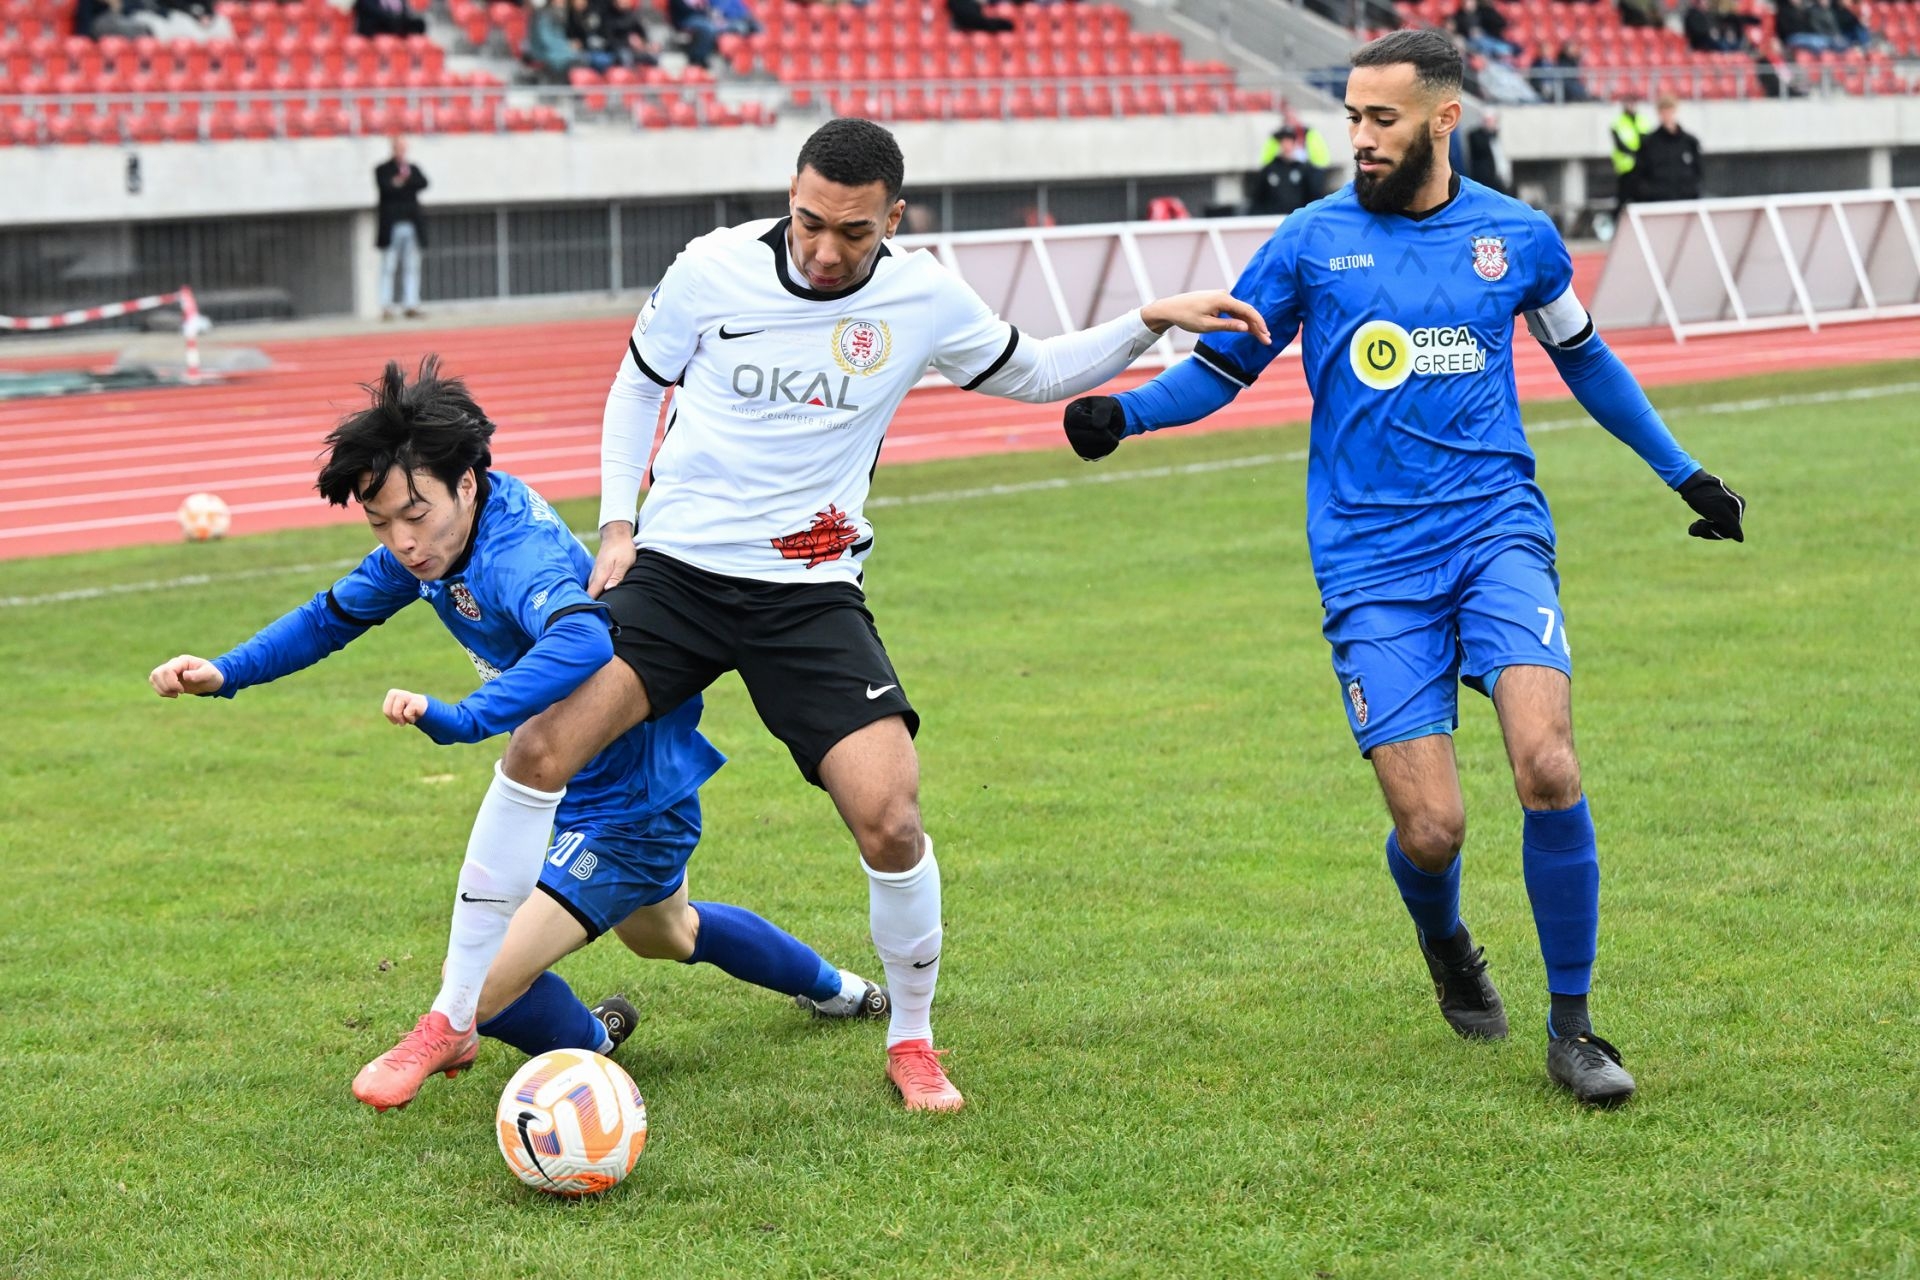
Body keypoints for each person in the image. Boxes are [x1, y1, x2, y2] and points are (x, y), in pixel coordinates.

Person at [466, 117, 1266, 1114]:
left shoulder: (923, 297)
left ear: (894, 218)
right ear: (790, 198)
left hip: (809, 595)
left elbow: (1037, 371)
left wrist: (1146, 320)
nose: (825, 249)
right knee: (541, 744)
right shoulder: (712, 267)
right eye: (809, 222)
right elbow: (638, 386)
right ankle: (451, 1011)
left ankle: (912, 1038)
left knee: (890, 817)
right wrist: (618, 524)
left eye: (852, 231)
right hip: (676, 576)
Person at [1057, 29, 1748, 1108]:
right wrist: (1125, 415)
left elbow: (1587, 359)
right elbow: (1220, 371)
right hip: (1370, 562)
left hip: (1495, 533)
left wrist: (1685, 472)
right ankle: (1447, 941)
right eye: (1353, 118)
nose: (1361, 138)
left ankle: (1574, 1028)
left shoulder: (1517, 238)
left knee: (1547, 764)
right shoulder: (1308, 242)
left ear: (1442, 119)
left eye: (1382, 119)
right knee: (1433, 830)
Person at [148, 359, 891, 1112]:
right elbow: (330, 616)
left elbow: (583, 639)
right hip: (573, 787)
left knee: (479, 986)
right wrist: (226, 671)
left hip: (630, 801)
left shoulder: (515, 554)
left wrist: (471, 717)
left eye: (415, 515)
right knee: (668, 933)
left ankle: (575, 1044)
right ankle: (840, 990)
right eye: (381, 523)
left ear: (466, 483)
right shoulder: (438, 542)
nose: (403, 541)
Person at [375, 136, 428, 322]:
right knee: (388, 267)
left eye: (404, 148)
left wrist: (403, 181)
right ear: (393, 148)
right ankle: (386, 306)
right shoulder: (383, 169)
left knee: (411, 267)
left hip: (411, 225)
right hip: (391, 226)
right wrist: (399, 183)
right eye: (399, 148)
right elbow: (386, 187)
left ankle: (411, 304)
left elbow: (423, 183)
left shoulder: (412, 169)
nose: (402, 151)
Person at [1634, 95, 1703, 201]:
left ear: (1675, 111)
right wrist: (1648, 193)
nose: (1667, 116)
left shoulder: (1690, 142)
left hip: (1686, 200)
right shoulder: (1649, 143)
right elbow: (1640, 173)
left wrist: (1692, 191)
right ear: (1659, 113)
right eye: (1664, 112)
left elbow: (1698, 171)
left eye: (1670, 111)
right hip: (1657, 201)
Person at [1250, 126, 1324, 215]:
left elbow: (1313, 195)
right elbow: (1258, 198)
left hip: (1296, 217)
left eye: (1289, 141)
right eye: (1283, 142)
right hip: (1273, 218)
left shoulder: (1304, 169)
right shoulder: (1269, 170)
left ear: (1294, 144)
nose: (1286, 146)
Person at [1609, 96, 1651, 215]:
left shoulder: (1642, 120)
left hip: (1641, 169)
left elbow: (1646, 141)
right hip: (1626, 169)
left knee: (1642, 199)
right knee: (1622, 200)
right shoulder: (1617, 122)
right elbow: (1620, 145)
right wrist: (1635, 154)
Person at [1465, 109, 1511, 196]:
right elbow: (1480, 148)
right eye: (1486, 121)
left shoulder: (1495, 136)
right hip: (1483, 177)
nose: (1488, 123)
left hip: (1496, 176)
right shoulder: (1475, 135)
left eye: (1490, 121)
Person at [355, 0, 427, 38]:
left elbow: (405, 12)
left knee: (419, 23)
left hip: (395, 24)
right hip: (375, 26)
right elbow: (372, 11)